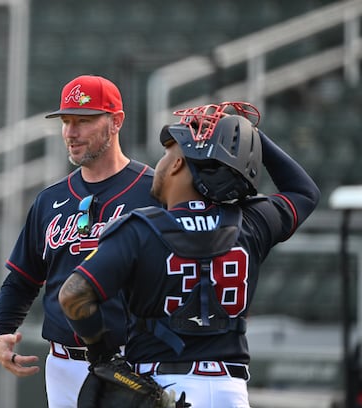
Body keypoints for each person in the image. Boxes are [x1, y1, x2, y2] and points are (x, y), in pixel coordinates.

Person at [58, 102, 321, 407]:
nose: (161, 161)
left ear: (179, 164)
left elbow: (72, 295)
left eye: (167, 153)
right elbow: (304, 192)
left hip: (163, 390)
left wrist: (101, 353)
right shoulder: (253, 221)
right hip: (230, 390)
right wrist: (251, 138)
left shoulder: (139, 228)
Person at [0, 74, 161, 408]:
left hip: (132, 362)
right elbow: (21, 280)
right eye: (66, 121)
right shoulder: (49, 199)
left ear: (116, 122)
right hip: (63, 364)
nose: (70, 132)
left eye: (83, 121)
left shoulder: (153, 191)